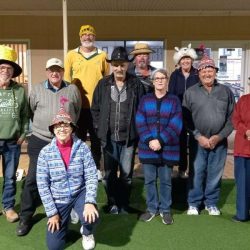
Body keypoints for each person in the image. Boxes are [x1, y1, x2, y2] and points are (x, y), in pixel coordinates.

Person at [16, 58, 81, 236]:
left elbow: (77, 111)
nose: (55, 73)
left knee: (68, 176)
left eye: (58, 69)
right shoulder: (36, 89)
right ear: (46, 71)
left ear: (63, 71)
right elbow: (30, 112)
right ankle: (26, 216)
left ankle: (69, 210)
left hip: (65, 140)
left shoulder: (72, 89)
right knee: (33, 179)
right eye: (51, 70)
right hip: (40, 140)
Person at [36, 106, 98, 250]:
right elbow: (42, 185)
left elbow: (91, 175)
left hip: (79, 193)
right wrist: (52, 213)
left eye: (66, 125)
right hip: (59, 198)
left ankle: (87, 232)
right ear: (53, 129)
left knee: (92, 216)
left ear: (72, 129)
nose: (62, 129)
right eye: (58, 125)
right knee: (54, 246)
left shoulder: (82, 147)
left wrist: (89, 201)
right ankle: (68, 216)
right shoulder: (45, 153)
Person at [91, 46, 144, 214]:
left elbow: (142, 108)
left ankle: (124, 204)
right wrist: (99, 128)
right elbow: (95, 109)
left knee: (127, 174)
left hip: (128, 138)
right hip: (108, 138)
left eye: (122, 65)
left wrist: (139, 131)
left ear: (128, 65)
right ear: (111, 66)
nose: (119, 68)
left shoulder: (136, 84)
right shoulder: (103, 84)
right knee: (109, 175)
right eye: (115, 64)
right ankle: (112, 203)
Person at [182, 54, 235, 216]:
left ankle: (211, 203)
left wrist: (219, 137)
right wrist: (198, 136)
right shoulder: (190, 92)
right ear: (198, 73)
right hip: (197, 141)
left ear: (215, 72)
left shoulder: (226, 91)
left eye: (210, 70)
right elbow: (186, 118)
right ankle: (194, 203)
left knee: (215, 173)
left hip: (219, 141)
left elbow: (233, 117)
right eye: (204, 70)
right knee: (197, 172)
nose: (207, 74)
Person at [136, 69, 182, 224]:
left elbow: (176, 124)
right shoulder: (145, 99)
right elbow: (139, 121)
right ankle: (151, 209)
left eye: (163, 78)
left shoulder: (174, 100)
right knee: (149, 180)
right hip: (148, 148)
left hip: (168, 149)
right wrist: (149, 139)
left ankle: (165, 210)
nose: (160, 81)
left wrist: (160, 141)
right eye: (157, 78)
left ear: (167, 80)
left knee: (166, 181)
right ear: (153, 81)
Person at [64, 24, 110, 181]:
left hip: (96, 106)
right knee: (78, 139)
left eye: (90, 34)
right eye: (84, 35)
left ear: (94, 37)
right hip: (78, 107)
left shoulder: (102, 55)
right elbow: (66, 80)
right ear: (80, 37)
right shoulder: (71, 55)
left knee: (97, 140)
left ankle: (96, 168)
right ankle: (78, 169)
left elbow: (105, 79)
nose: (87, 37)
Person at [0, 45, 29, 222]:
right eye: (2, 68)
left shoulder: (19, 91)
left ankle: (8, 207)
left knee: (10, 177)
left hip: (13, 142)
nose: (5, 71)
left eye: (9, 68)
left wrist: (24, 134)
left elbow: (26, 114)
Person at [168, 43, 199, 178]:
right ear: (179, 61)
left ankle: (193, 169)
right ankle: (181, 169)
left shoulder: (197, 74)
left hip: (194, 115)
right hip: (179, 114)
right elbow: (172, 95)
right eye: (183, 59)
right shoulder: (175, 75)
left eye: (188, 59)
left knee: (194, 142)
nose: (185, 61)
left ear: (192, 60)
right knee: (180, 143)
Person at [232, 94, 250, 222]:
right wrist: (246, 131)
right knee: (242, 182)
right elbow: (235, 120)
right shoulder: (243, 100)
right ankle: (242, 214)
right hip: (243, 147)